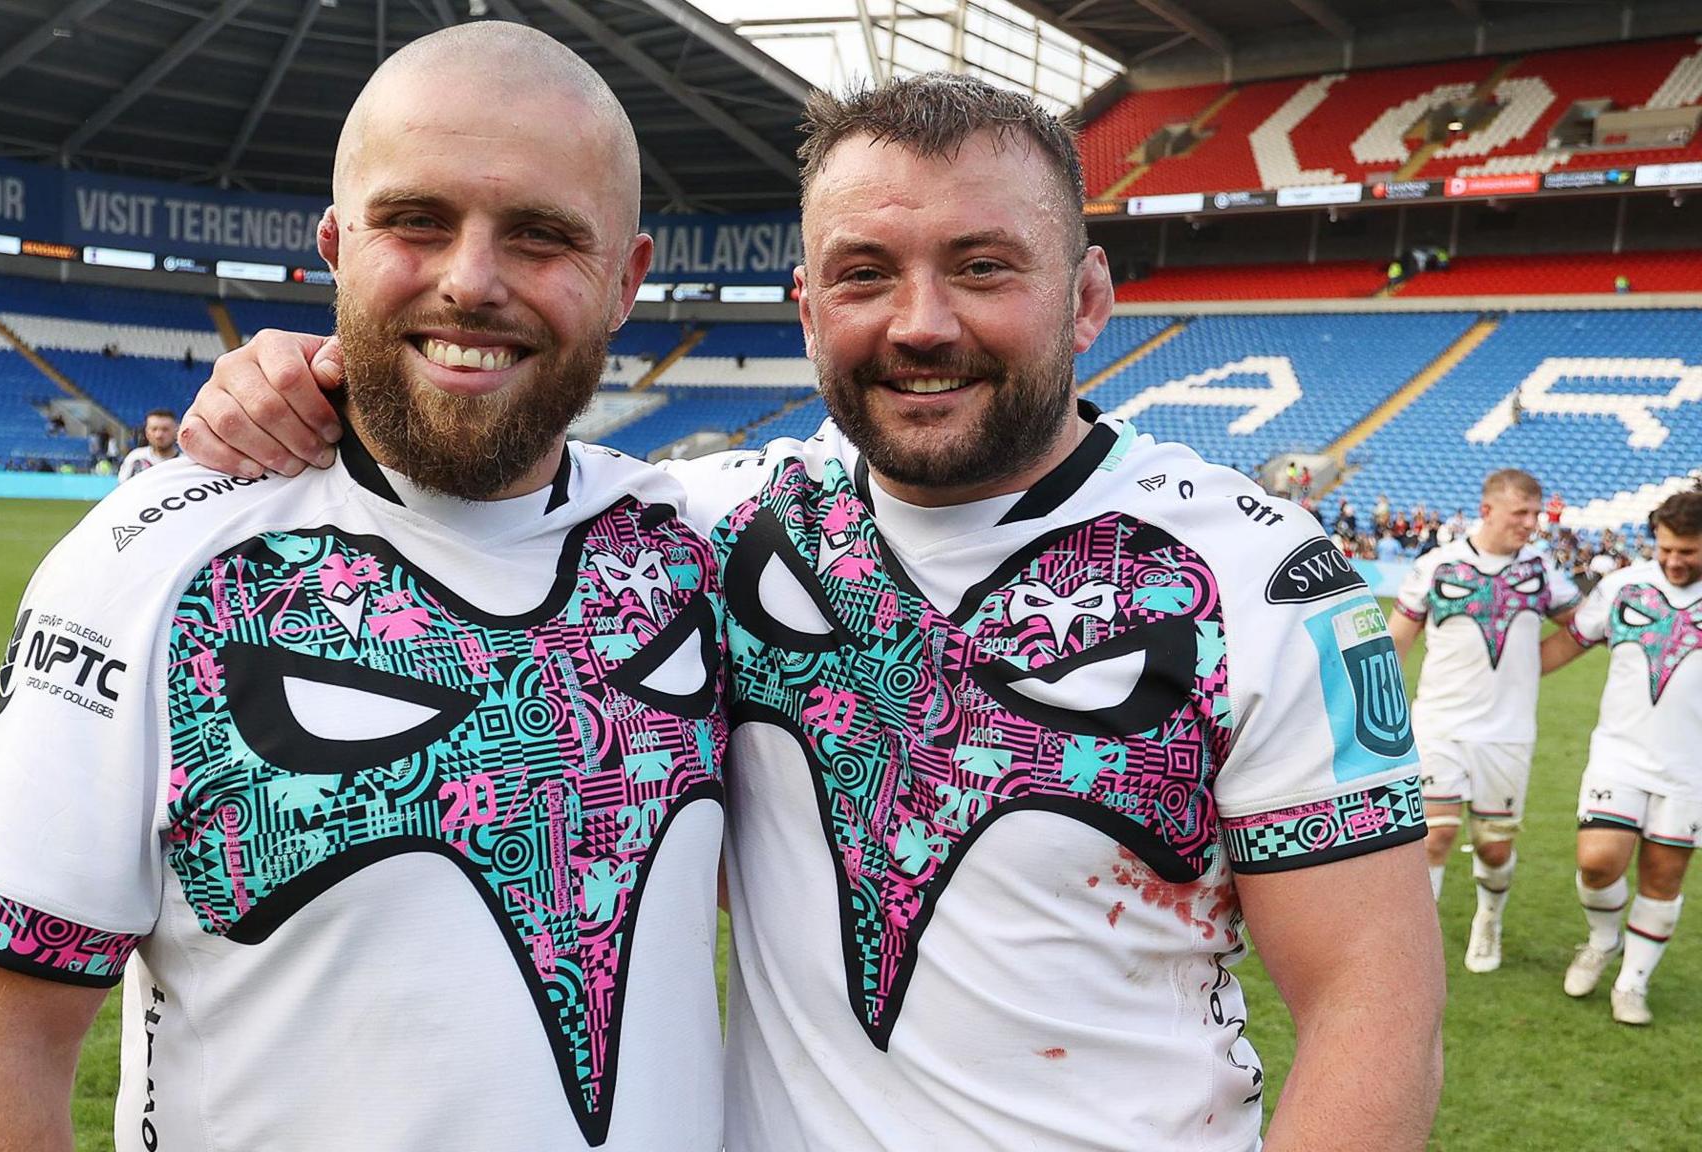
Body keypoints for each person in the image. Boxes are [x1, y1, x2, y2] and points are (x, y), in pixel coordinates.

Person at [184, 71, 1445, 1151]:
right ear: (804, 310)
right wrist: (288, 377)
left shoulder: (1261, 581)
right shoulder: (702, 531)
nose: (919, 323)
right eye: (863, 275)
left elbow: (1369, 1009)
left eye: (981, 268)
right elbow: (470, 456)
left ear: (1088, 296)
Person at [0, 25, 727, 1152]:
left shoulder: (710, 548)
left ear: (626, 279)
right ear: (336, 244)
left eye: (540, 236)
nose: (468, 280)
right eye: (415, 222)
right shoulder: (149, 563)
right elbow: (1, 1045)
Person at [1388, 469, 1579, 970]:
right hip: (1439, 724)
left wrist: (1531, 670)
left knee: (1494, 849)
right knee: (1434, 835)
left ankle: (1488, 921)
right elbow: (1396, 642)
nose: (1532, 523)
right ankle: (1416, 947)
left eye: (1536, 514)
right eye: (1522, 513)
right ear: (1488, 510)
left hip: (1508, 732)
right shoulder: (1438, 566)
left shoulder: (1542, 570)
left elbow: (1582, 628)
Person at [1543, 489, 1702, 1025]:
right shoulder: (1623, 586)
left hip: (1690, 770)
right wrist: (1504, 680)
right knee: (1596, 863)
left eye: (1689, 551)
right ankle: (1603, 940)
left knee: (1663, 878)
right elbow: (1572, 640)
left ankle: (1633, 984)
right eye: (1667, 549)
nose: (1675, 561)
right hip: (1620, 754)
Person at [116, 409, 182, 482]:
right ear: (147, 432)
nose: (158, 435)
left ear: (176, 431)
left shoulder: (185, 462)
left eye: (165, 429)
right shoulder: (135, 458)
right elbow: (122, 487)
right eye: (154, 429)